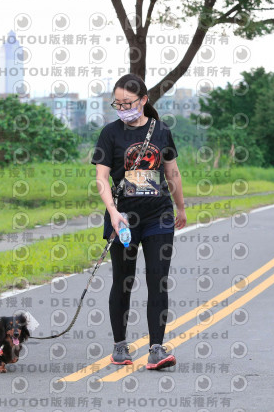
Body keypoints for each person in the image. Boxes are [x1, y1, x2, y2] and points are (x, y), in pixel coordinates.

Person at [91, 73, 186, 371]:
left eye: (128, 103)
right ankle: (120, 346)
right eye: (117, 104)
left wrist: (181, 208)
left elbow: (172, 173)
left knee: (158, 280)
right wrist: (112, 212)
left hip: (159, 216)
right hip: (123, 218)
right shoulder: (110, 133)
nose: (122, 108)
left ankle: (156, 348)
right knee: (124, 280)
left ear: (143, 100)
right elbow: (101, 178)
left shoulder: (161, 131)